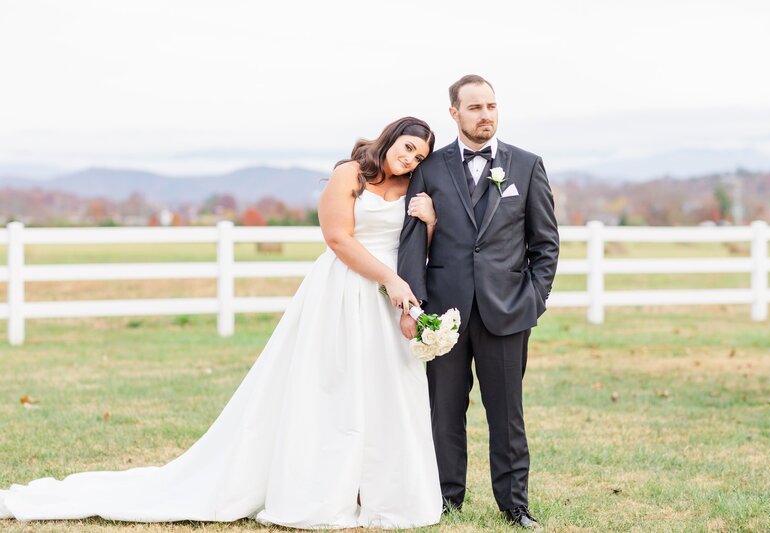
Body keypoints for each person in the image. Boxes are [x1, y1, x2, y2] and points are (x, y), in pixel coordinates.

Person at [0, 117, 442, 529]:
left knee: (388, 390)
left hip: (392, 297)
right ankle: (319, 490)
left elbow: (415, 247)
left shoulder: (416, 187)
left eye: (419, 156)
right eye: (407, 148)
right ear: (391, 137)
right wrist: (386, 277)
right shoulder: (352, 173)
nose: (410, 160)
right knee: (330, 385)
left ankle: (384, 495)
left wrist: (429, 225)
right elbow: (336, 237)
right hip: (344, 288)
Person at [398, 75, 560, 529]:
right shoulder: (429, 168)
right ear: (454, 113)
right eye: (474, 108)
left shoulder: (526, 166)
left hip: (508, 311)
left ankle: (515, 505)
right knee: (444, 410)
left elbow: (545, 243)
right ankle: (446, 499)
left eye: (491, 106)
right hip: (444, 314)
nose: (485, 115)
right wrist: (417, 308)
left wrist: (534, 300)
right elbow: (413, 242)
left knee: (507, 413)